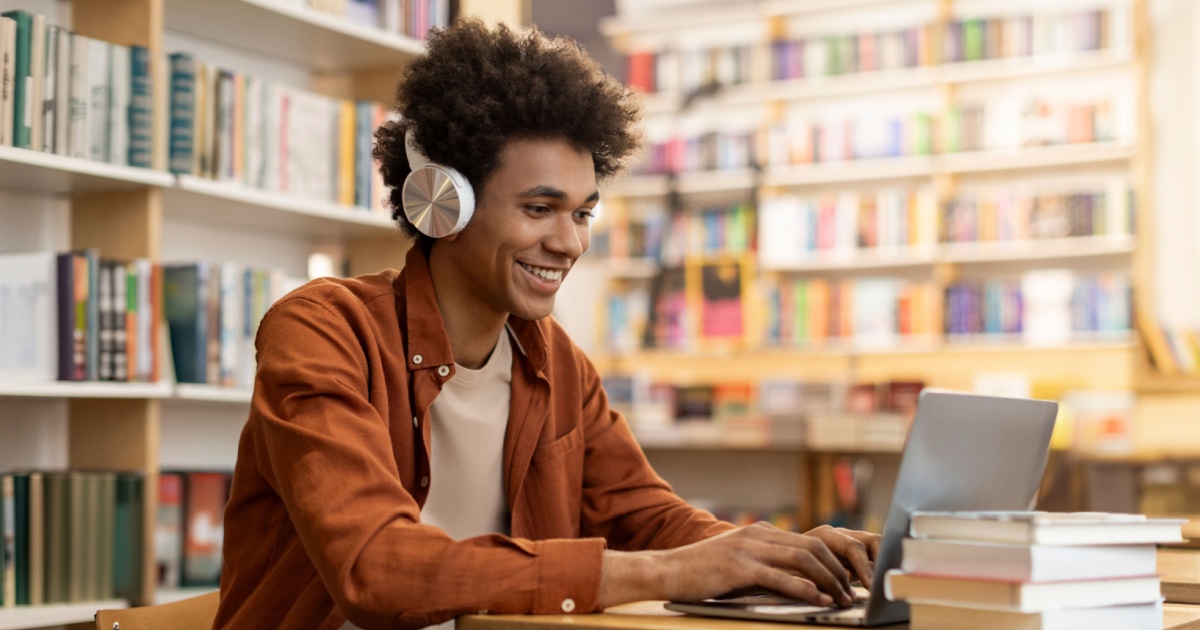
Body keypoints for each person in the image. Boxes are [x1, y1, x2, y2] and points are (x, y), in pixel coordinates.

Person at [213, 18, 881, 630]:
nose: (570, 244)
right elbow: (376, 566)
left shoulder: (556, 362)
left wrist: (783, 557)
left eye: (583, 213)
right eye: (540, 208)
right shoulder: (323, 332)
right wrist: (669, 572)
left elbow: (646, 518)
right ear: (443, 205)